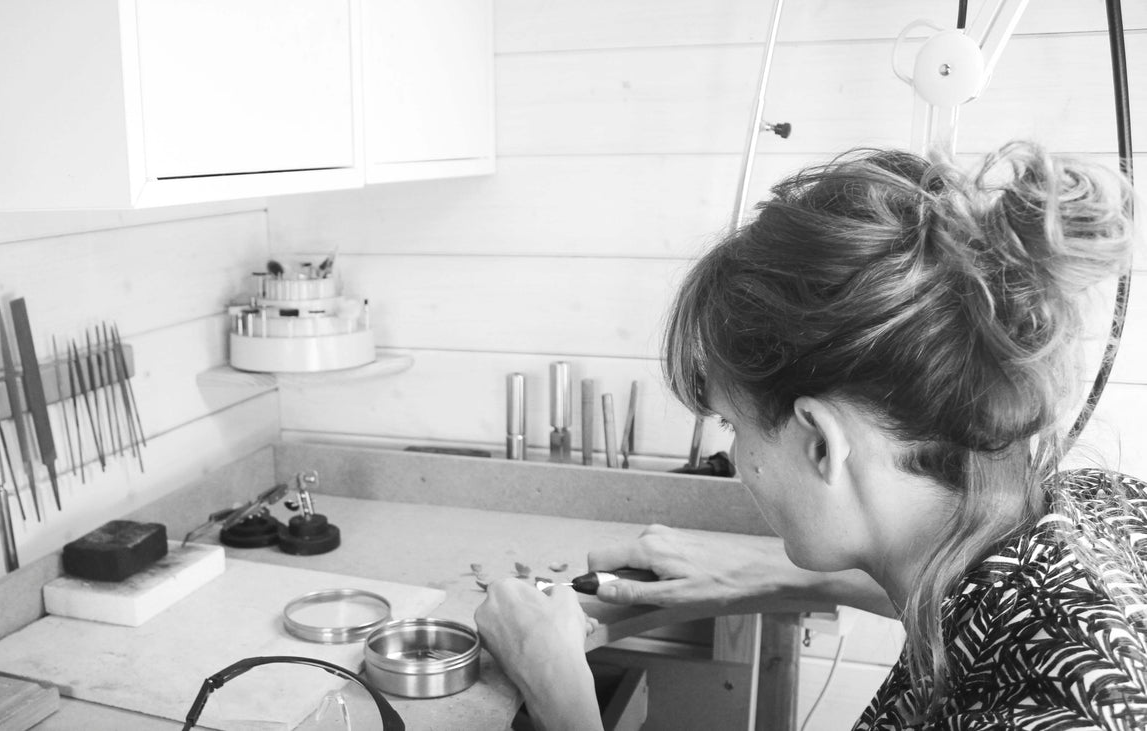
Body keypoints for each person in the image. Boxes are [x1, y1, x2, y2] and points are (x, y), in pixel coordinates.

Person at [476, 141, 1146, 729]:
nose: (738, 457)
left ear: (821, 442)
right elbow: (982, 610)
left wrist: (559, 694)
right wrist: (766, 576)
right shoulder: (1090, 507)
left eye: (734, 426)